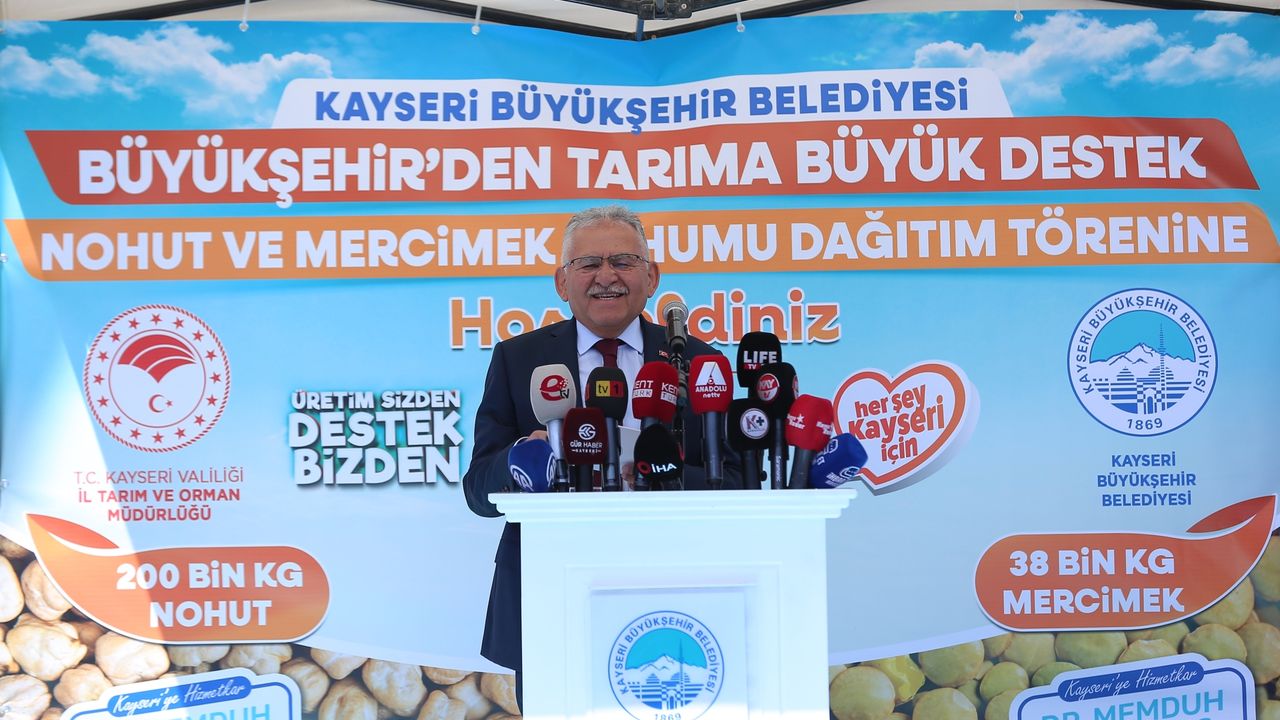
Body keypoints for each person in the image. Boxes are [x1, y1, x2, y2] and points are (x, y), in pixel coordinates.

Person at [461, 205, 742, 705]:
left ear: (651, 277)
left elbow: (737, 482)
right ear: (562, 282)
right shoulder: (517, 359)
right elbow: (479, 491)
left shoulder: (699, 361)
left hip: (678, 596)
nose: (606, 276)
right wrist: (523, 462)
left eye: (623, 261)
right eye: (588, 263)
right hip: (552, 596)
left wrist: (659, 475)